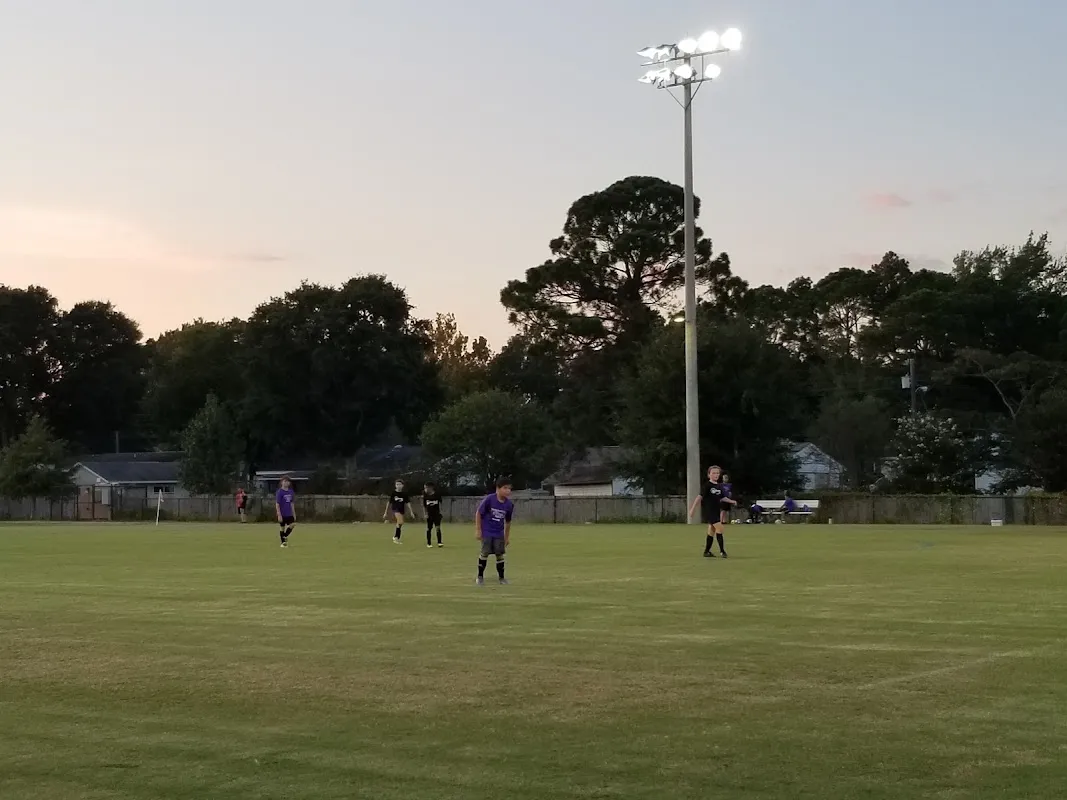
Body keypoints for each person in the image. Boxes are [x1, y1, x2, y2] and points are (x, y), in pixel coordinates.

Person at [688, 465, 736, 558]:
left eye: (717, 473)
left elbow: (722, 497)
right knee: (720, 528)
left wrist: (732, 501)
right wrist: (692, 509)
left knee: (712, 531)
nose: (716, 475)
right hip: (709, 511)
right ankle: (722, 552)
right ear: (709, 474)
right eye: (713, 473)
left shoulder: (719, 486)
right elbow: (699, 497)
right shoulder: (707, 486)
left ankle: (706, 552)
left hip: (716, 511)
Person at [475, 477, 514, 585]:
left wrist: (506, 538)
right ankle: (480, 576)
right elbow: (479, 513)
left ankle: (502, 578)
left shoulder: (509, 505)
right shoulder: (489, 499)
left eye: (509, 489)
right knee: (484, 553)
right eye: (505, 488)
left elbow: (508, 522)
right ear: (498, 488)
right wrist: (478, 530)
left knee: (500, 554)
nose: (508, 491)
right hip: (487, 532)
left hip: (499, 533)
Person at [383, 479, 416, 543]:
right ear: (395, 485)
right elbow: (389, 502)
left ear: (402, 485)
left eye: (399, 484)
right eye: (397, 484)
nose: (398, 486)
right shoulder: (393, 493)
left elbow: (408, 503)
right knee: (400, 521)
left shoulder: (404, 494)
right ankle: (396, 538)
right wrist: (385, 512)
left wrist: (411, 512)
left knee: (400, 524)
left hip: (402, 510)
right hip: (395, 509)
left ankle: (396, 537)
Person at [275, 477, 296, 547]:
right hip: (282, 513)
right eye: (285, 481)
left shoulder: (291, 492)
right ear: (282, 482)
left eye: (287, 481)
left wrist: (294, 513)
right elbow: (277, 504)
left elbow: (292, 503)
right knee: (282, 527)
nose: (286, 483)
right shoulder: (280, 492)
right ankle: (283, 543)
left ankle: (284, 536)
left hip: (289, 513)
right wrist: (279, 514)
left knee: (292, 525)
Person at [423, 482, 444, 548]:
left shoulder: (437, 495)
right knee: (429, 529)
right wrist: (425, 514)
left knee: (438, 528)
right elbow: (424, 506)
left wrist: (441, 512)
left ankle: (439, 542)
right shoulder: (425, 496)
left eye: (426, 488)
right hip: (429, 515)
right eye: (424, 488)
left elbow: (441, 504)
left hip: (436, 514)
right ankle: (429, 543)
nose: (425, 489)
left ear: (431, 488)